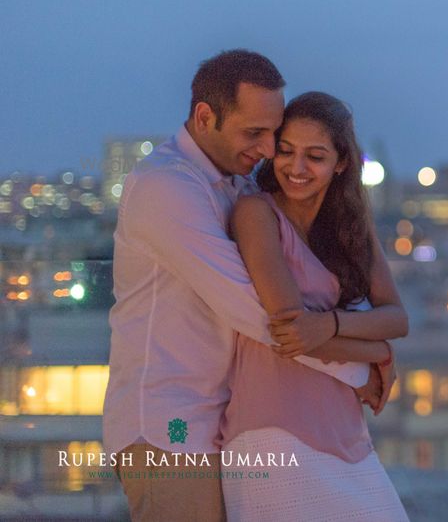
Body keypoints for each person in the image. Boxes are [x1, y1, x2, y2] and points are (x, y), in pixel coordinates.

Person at [103, 50, 399, 521]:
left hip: (218, 421)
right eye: (255, 133)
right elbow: (261, 315)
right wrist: (363, 367)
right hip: (169, 425)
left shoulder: (235, 187)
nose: (266, 149)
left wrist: (369, 348)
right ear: (205, 117)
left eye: (272, 134)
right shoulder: (167, 187)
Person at [220, 91, 409, 521]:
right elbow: (292, 332)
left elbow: (397, 318)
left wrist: (331, 325)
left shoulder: (351, 229)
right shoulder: (256, 213)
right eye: (285, 151)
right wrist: (376, 352)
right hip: (272, 432)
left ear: (342, 163)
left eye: (315, 156)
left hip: (345, 431)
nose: (296, 168)